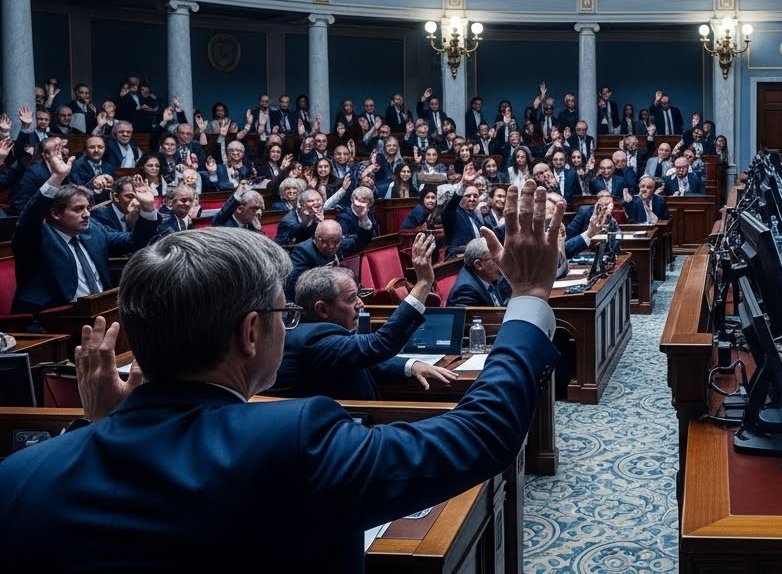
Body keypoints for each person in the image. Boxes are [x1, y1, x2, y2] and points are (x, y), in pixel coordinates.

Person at [0, 180, 562, 569]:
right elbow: (482, 434)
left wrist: (99, 427)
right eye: (281, 315)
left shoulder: (19, 477)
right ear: (250, 333)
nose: (285, 327)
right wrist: (532, 296)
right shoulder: (299, 442)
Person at [270, 235, 458, 399]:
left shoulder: (320, 334)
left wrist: (410, 366)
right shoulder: (313, 339)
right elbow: (380, 344)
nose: (361, 304)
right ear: (322, 310)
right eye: (351, 298)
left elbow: (361, 361)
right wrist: (424, 283)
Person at [12, 154, 159, 316]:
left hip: (100, 310)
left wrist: (147, 208)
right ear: (55, 214)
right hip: (52, 319)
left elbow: (134, 242)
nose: (87, 214)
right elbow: (29, 218)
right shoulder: (37, 237)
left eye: (87, 208)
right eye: (78, 209)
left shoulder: (93, 231)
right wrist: (57, 177)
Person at [286, 218, 374, 300]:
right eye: (326, 242)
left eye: (336, 242)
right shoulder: (302, 252)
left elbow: (360, 241)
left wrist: (363, 218)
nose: (331, 246)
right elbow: (297, 285)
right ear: (317, 238)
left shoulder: (340, 244)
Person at [446, 237, 513, 307]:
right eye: (495, 259)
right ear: (479, 265)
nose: (501, 262)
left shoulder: (487, 275)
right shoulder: (465, 291)